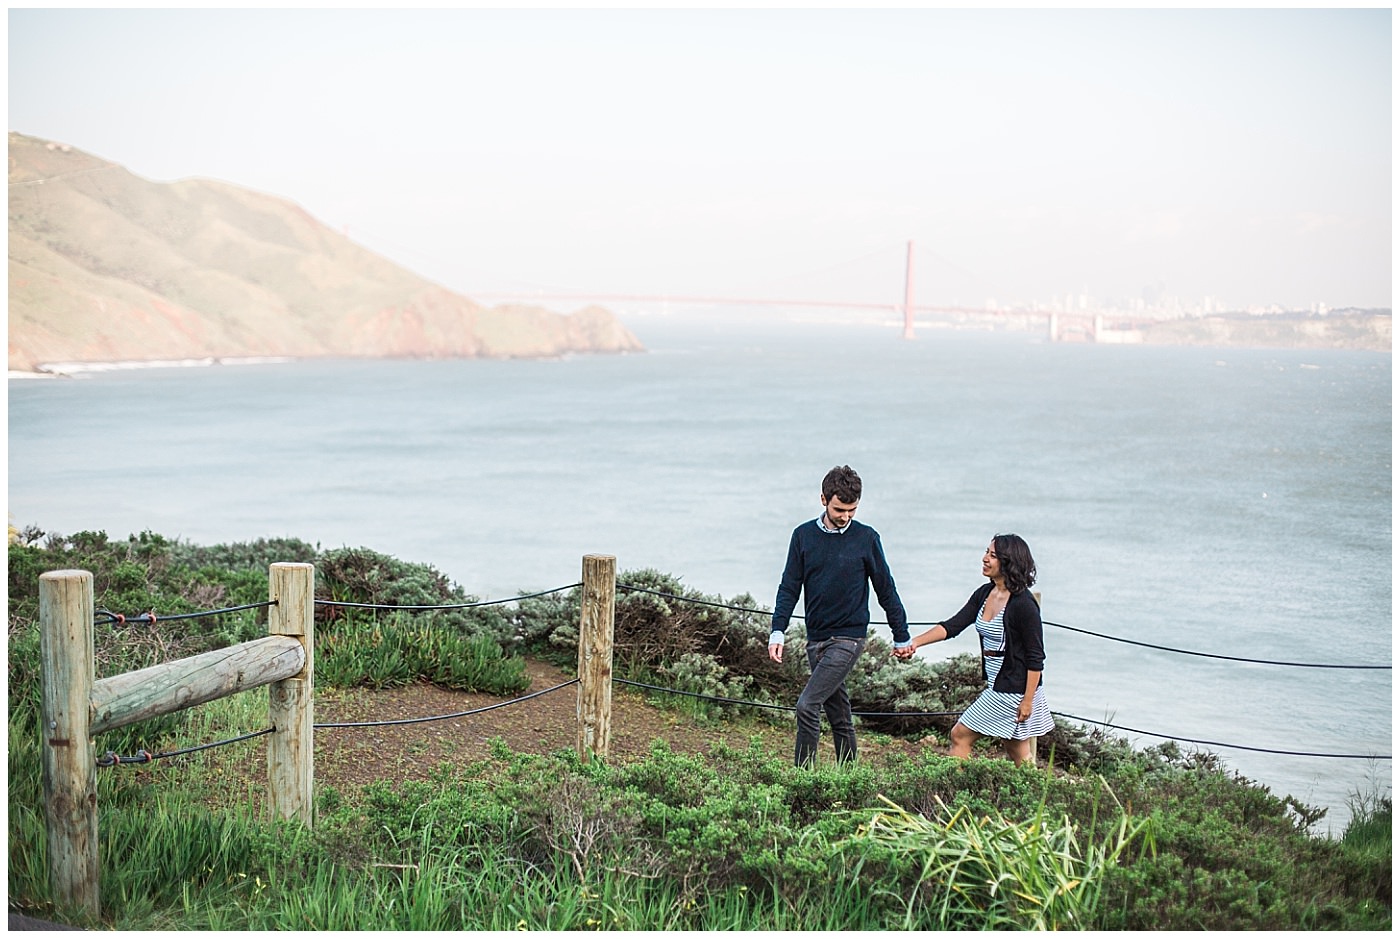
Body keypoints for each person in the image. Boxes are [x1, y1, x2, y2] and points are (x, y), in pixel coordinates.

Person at [769, 465, 913, 767]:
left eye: (852, 510)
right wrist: (777, 630)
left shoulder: (867, 538)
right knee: (839, 715)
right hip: (816, 639)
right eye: (839, 509)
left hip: (849, 638)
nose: (845, 516)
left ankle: (803, 780)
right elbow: (789, 586)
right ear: (823, 499)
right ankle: (850, 780)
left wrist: (901, 635)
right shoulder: (802, 536)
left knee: (807, 705)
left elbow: (886, 589)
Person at [896, 533, 1051, 765]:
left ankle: (955, 794)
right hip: (999, 682)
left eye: (993, 555)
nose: (985, 559)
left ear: (1009, 562)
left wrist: (1027, 701)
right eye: (986, 552)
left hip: (1013, 688)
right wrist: (915, 642)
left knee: (960, 734)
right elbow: (953, 626)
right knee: (1018, 749)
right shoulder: (984, 593)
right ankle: (1036, 797)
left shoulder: (1024, 605)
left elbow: (1035, 658)